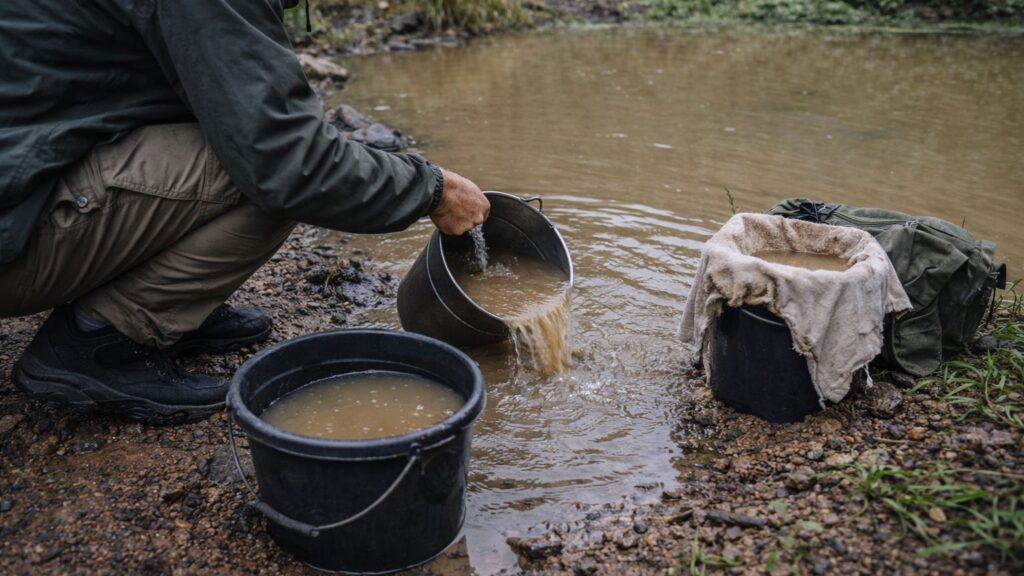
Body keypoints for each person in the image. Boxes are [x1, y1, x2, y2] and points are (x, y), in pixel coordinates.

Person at [0, 0, 491, 424]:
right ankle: (97, 342)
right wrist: (433, 190)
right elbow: (288, 164)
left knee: (254, 141)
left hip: (30, 177)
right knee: (269, 177)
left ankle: (166, 308)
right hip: (16, 231)